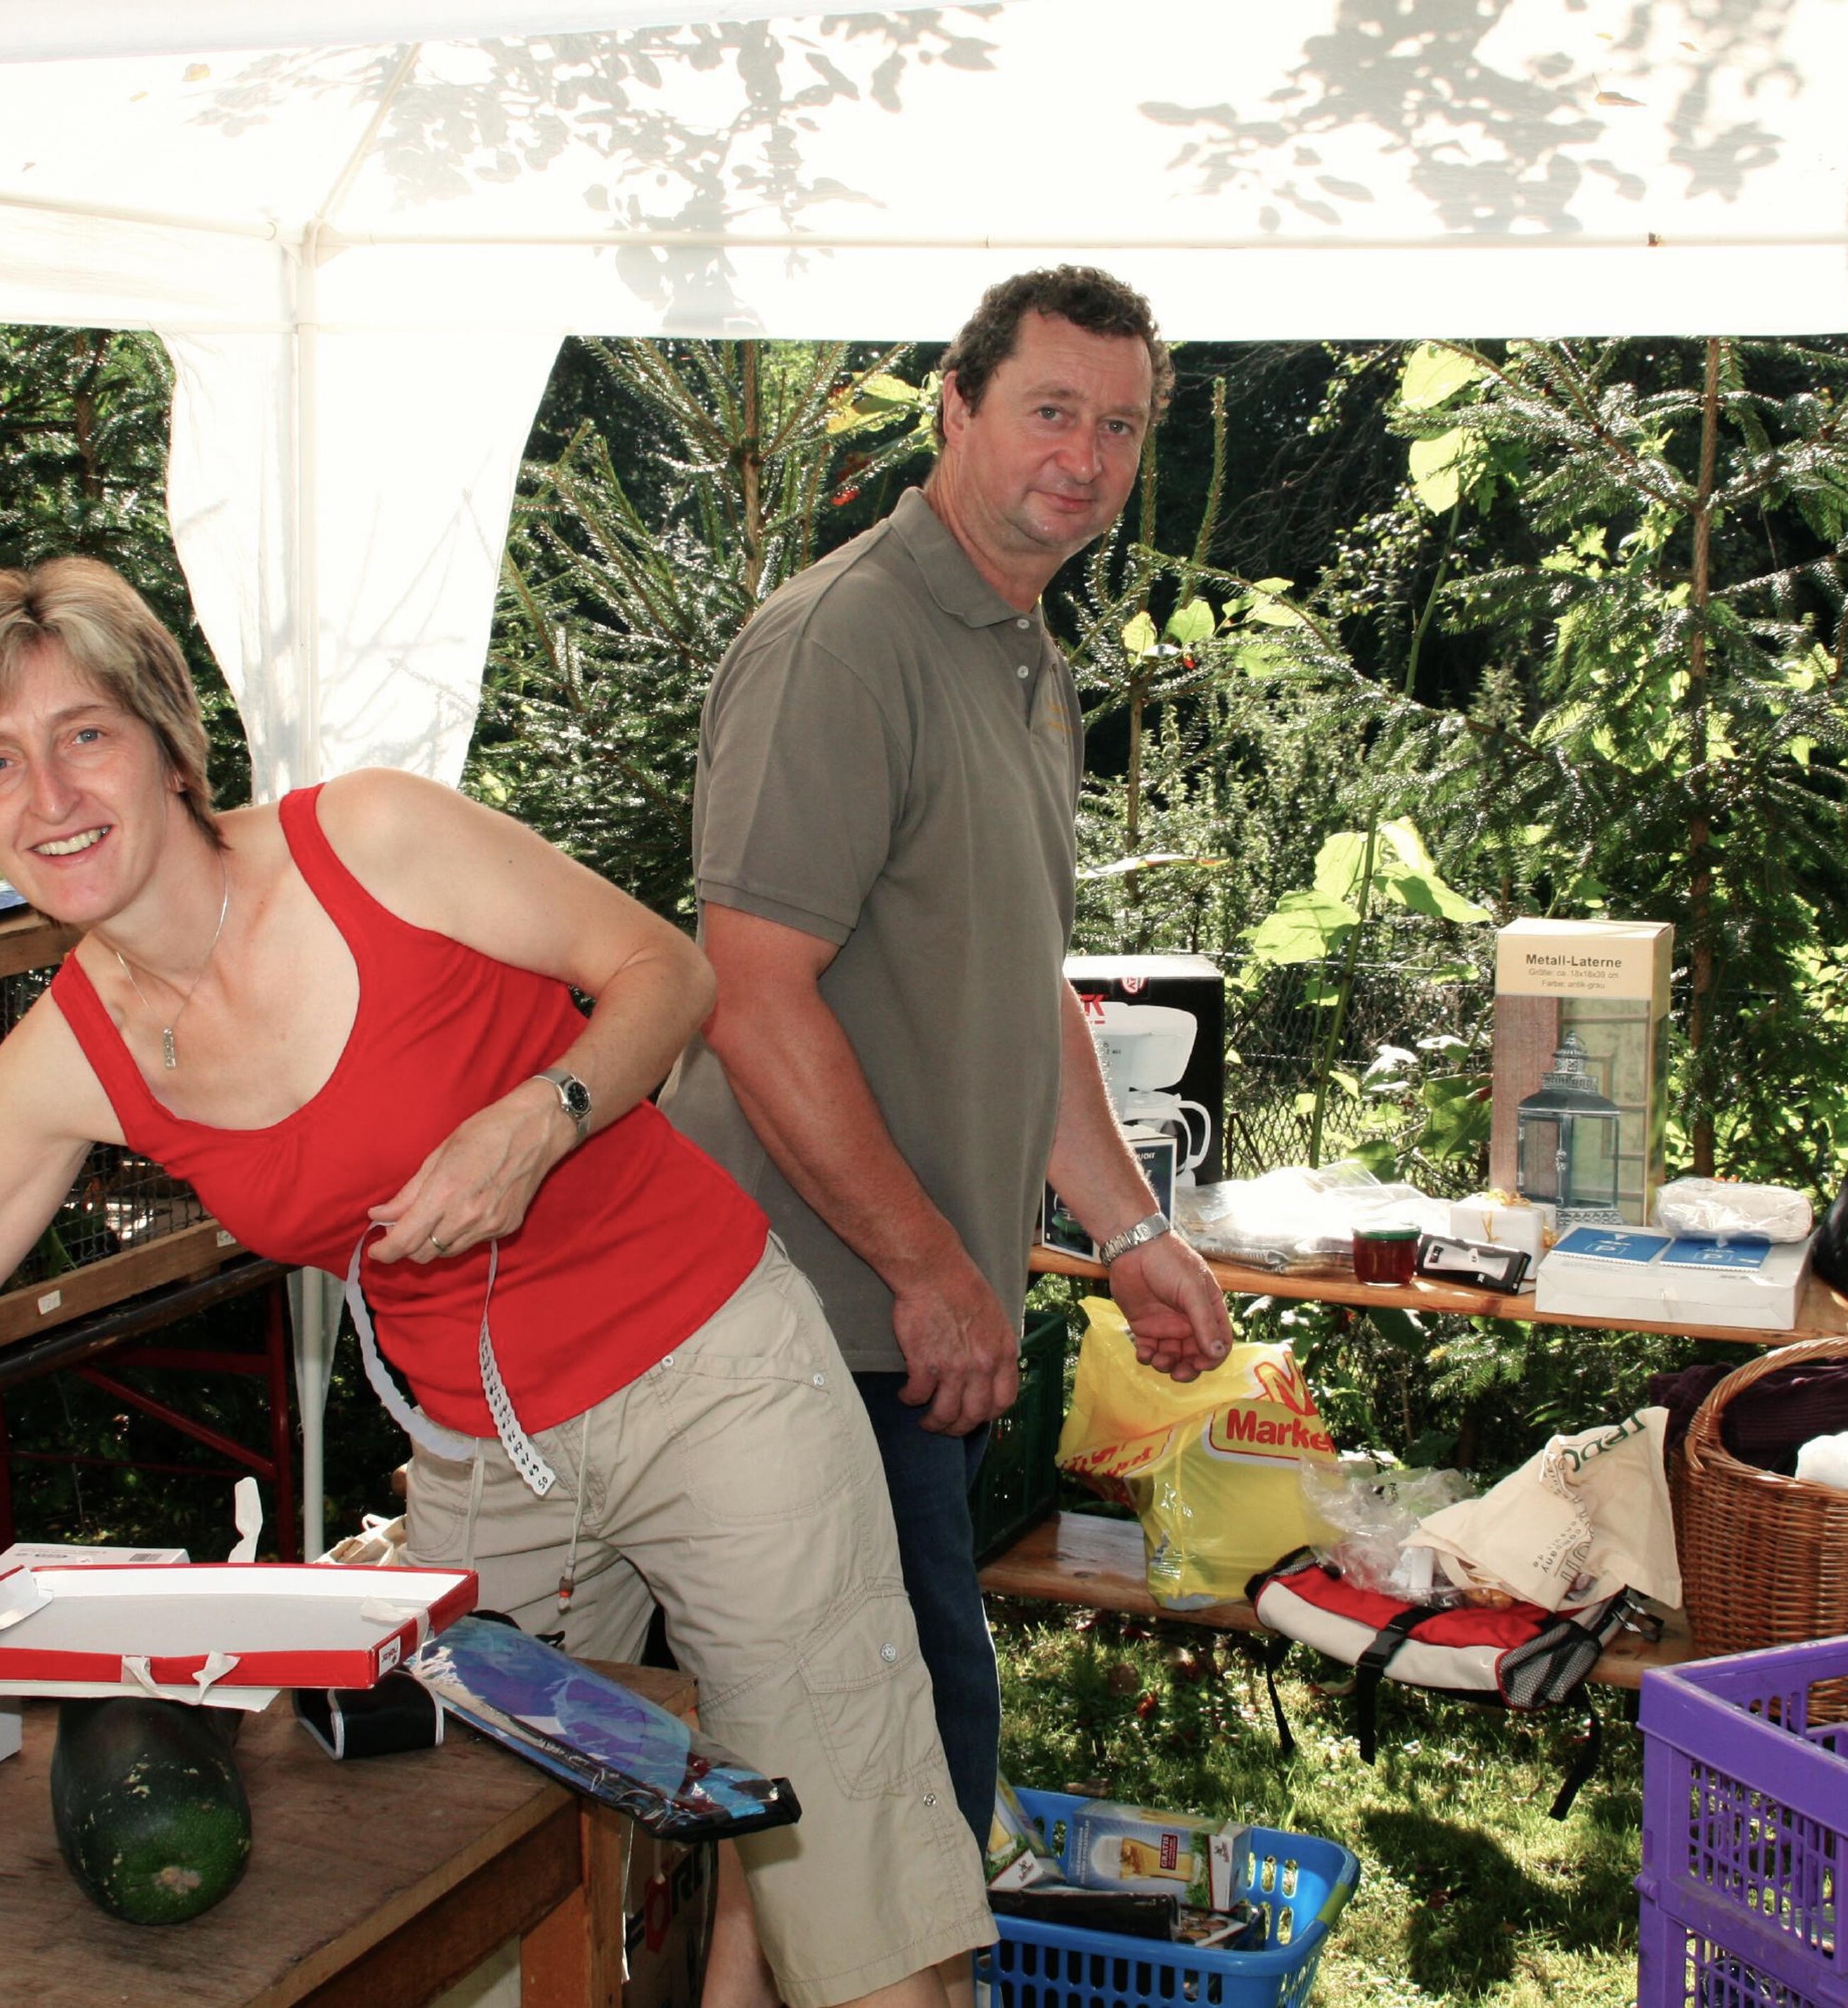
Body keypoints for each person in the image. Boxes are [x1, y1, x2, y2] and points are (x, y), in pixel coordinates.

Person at [0, 558, 989, 2008]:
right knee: (461, 1858)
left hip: (711, 1372)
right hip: (483, 1451)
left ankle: (790, 1941)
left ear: (168, 745)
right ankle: (733, 1943)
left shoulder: (371, 841)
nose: (51, 794)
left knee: (850, 1896)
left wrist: (542, 1118)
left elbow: (666, 970)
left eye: (85, 735)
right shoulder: (71, 1060)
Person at [663, 266, 1237, 1880]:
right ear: (957, 407)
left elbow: (1018, 977)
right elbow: (748, 995)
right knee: (887, 1788)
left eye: (1119, 426)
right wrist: (927, 1271)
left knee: (849, 1792)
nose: (1085, 457)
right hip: (802, 1331)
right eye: (1051, 410)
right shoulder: (842, 643)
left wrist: (1131, 1230)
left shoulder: (1022, 651)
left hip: (918, 1335)